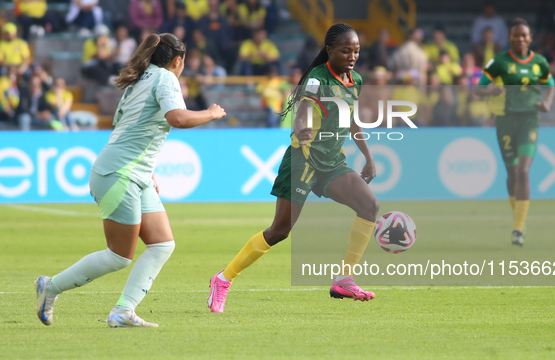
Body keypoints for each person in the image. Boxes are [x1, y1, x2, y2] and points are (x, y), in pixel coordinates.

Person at [34, 33, 227, 328]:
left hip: (132, 174)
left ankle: (124, 310)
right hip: (119, 174)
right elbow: (177, 118)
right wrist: (211, 113)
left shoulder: (141, 78)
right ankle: (51, 286)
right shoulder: (165, 78)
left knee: (162, 244)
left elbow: (130, 127)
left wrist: (148, 172)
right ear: (178, 61)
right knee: (119, 256)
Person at [208, 23, 380, 313]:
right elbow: (302, 111)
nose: (352, 56)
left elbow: (350, 119)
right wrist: (300, 128)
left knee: (370, 205)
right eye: (345, 50)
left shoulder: (355, 80)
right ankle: (223, 279)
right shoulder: (317, 78)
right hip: (302, 160)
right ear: (330, 51)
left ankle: (343, 278)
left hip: (331, 162)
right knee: (279, 231)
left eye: (356, 51)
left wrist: (368, 156)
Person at [474, 18, 555, 246]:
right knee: (511, 174)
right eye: (516, 36)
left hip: (529, 120)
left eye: (524, 36)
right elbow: (477, 89)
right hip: (506, 121)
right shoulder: (499, 62)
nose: (520, 39)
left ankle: (518, 227)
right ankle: (518, 217)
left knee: (522, 171)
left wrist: (547, 102)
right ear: (509, 39)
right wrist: (491, 90)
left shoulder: (539, 62)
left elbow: (550, 85)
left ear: (530, 38)